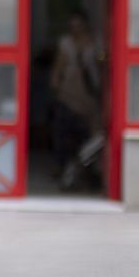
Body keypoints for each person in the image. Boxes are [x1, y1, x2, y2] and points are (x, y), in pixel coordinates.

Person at [48, 11, 102, 180]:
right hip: (68, 92)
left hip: (88, 93)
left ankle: (86, 169)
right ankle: (61, 165)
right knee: (61, 131)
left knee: (87, 134)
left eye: (78, 25)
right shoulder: (66, 42)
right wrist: (55, 85)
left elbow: (101, 66)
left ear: (85, 25)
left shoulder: (95, 42)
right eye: (72, 26)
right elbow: (59, 65)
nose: (75, 29)